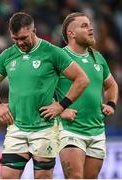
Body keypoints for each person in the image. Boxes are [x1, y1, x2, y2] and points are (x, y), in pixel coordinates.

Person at [0, 12, 89, 179]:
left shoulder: (52, 52)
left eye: (23, 37)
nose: (19, 43)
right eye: (15, 39)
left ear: (34, 30)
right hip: (16, 128)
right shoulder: (8, 55)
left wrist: (61, 105)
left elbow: (82, 79)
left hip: (44, 130)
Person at [55, 12, 119, 179]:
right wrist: (60, 110)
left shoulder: (97, 57)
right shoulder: (59, 58)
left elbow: (111, 85)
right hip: (70, 130)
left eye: (90, 25)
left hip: (96, 130)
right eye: (84, 26)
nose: (91, 28)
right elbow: (40, 91)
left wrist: (111, 103)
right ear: (71, 33)